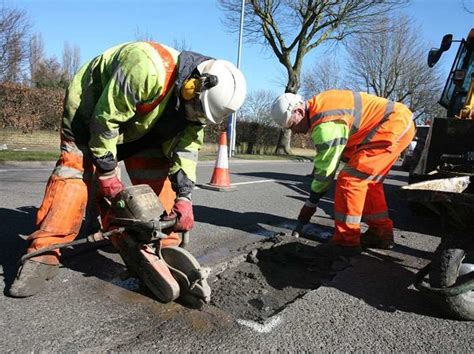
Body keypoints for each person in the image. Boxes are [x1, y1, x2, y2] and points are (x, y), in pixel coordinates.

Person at [9, 41, 246, 297]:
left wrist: (185, 198)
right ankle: (43, 253)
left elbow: (186, 151)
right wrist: (108, 174)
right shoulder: (147, 66)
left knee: (157, 175)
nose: (196, 115)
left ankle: (161, 246)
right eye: (198, 109)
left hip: (140, 125)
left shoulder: (196, 109)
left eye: (202, 114)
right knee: (75, 172)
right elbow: (105, 121)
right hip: (89, 114)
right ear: (192, 86)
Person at [271, 90, 415, 258]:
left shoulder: (325, 125)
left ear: (299, 112)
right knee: (368, 183)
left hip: (391, 126)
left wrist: (312, 202)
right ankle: (380, 233)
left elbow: (326, 171)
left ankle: (346, 242)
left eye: (292, 126)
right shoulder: (321, 106)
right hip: (398, 123)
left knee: (350, 181)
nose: (295, 132)